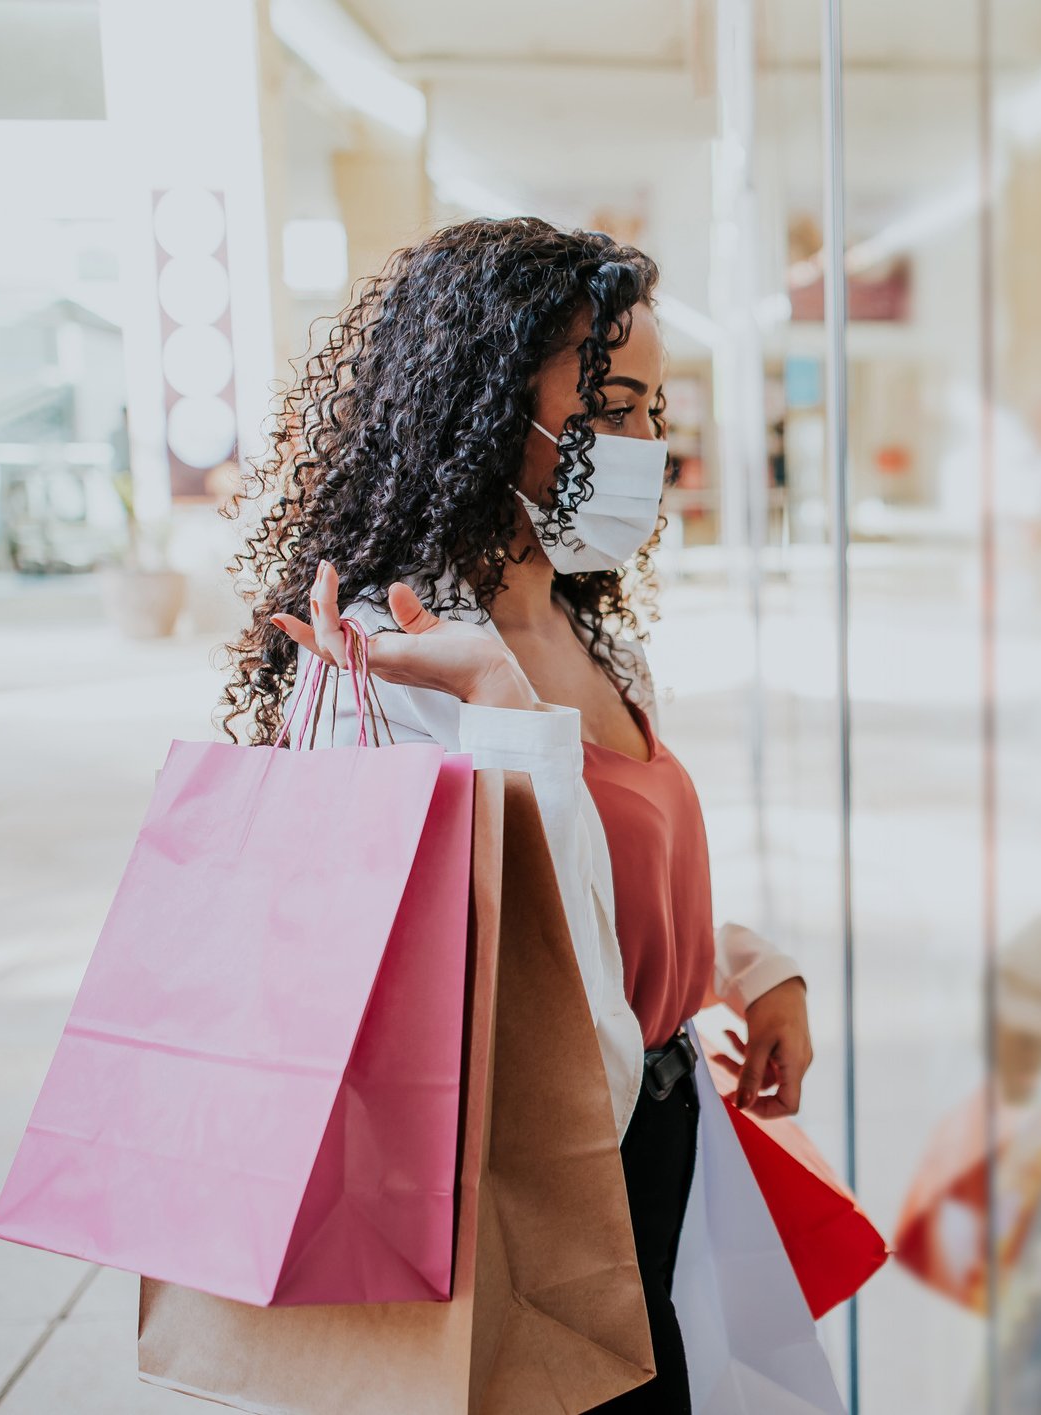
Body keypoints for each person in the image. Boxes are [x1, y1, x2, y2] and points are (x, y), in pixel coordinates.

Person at [220, 217, 814, 1413]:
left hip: (655, 1144)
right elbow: (518, 1016)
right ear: (481, 414)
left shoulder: (603, 645)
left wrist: (744, 963)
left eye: (653, 408)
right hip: (523, 1191)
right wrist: (493, 698)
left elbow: (604, 897)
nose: (647, 443)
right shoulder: (384, 669)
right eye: (610, 407)